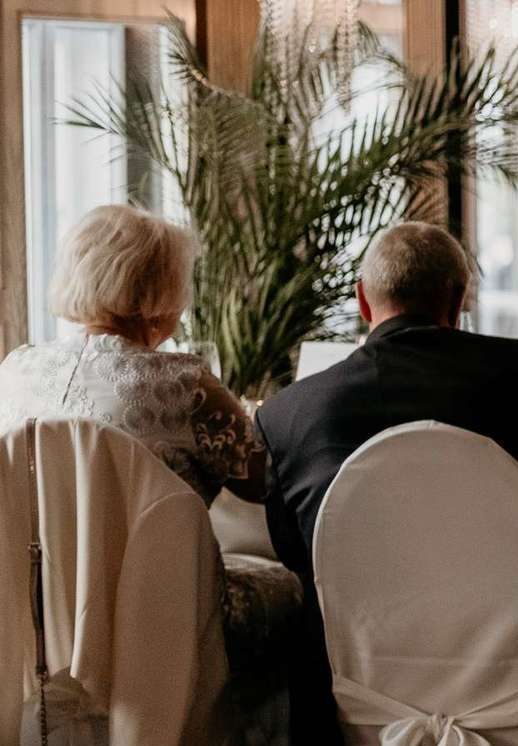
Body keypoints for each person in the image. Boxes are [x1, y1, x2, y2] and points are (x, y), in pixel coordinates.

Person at [257, 221, 518, 746]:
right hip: (516, 680)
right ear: (458, 299)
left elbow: (297, 553)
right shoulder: (509, 376)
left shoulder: (288, 414)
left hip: (359, 700)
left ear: (362, 300)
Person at [0, 204, 296, 663]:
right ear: (163, 290)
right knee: (294, 589)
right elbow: (263, 483)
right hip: (158, 613)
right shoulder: (183, 383)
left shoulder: (16, 370)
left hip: (35, 610)